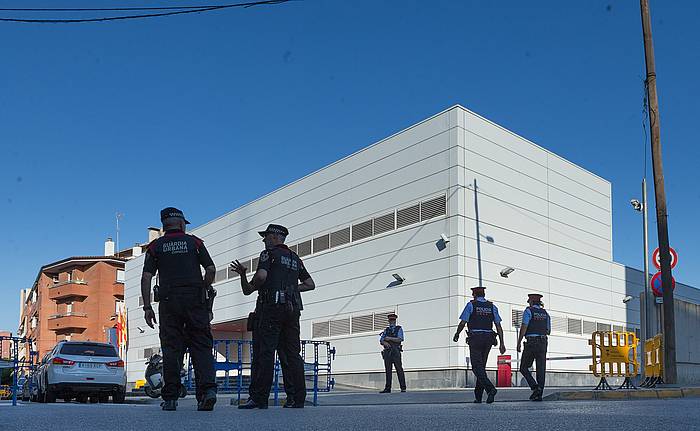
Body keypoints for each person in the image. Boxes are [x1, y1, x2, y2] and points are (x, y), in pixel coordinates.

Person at [230, 224, 315, 409]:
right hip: (292, 310)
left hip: (270, 309)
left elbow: (259, 278)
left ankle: (259, 398)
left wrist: (246, 277)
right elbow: (309, 284)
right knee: (292, 355)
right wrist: (291, 289)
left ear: (275, 237)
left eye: (266, 236)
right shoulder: (295, 258)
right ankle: (296, 398)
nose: (264, 240)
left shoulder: (268, 254)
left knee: (264, 353)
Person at [141, 207, 218, 411]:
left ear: (164, 225)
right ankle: (207, 392)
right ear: (182, 223)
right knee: (201, 347)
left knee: (172, 349)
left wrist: (147, 307)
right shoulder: (195, 242)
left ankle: (171, 398)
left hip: (169, 301)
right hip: (195, 299)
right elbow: (210, 269)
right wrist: (205, 286)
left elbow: (146, 276)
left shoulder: (156, 246)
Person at [452, 286, 506, 404]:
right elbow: (498, 326)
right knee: (481, 367)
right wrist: (502, 343)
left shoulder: (471, 305)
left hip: (476, 339)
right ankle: (478, 396)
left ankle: (490, 389)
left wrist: (457, 333)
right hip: (488, 340)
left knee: (476, 367)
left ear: (475, 294)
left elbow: (463, 322)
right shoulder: (492, 306)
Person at [517, 293, 551, 401]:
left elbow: (524, 326)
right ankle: (539, 393)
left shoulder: (528, 311)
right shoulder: (546, 314)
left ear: (531, 302)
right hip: (543, 342)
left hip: (531, 342)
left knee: (523, 367)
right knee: (541, 368)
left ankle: (534, 387)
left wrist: (519, 342)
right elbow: (548, 331)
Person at [379, 313, 407, 393]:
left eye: (393, 320)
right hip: (387, 351)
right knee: (388, 370)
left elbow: (400, 339)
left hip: (396, 351)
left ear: (395, 320)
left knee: (399, 369)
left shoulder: (399, 328)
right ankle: (387, 388)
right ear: (388, 321)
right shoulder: (386, 330)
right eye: (390, 320)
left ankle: (403, 387)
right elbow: (381, 340)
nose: (392, 321)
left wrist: (389, 338)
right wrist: (385, 343)